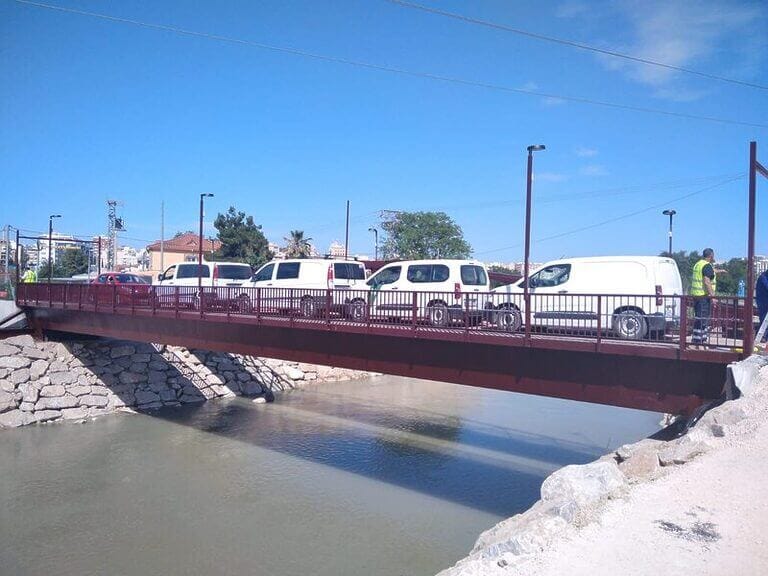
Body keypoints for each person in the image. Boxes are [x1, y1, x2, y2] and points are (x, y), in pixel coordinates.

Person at [691, 248, 716, 345]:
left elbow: (709, 272)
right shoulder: (706, 265)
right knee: (702, 319)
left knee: (698, 318)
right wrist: (713, 296)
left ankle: (698, 339)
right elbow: (706, 281)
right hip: (703, 296)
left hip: (696, 295)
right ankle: (699, 342)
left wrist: (719, 271)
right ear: (711, 255)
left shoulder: (698, 264)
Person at [756, 269, 768, 340]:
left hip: (764, 302)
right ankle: (763, 337)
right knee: (764, 320)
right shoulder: (763, 277)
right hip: (763, 303)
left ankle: (764, 337)